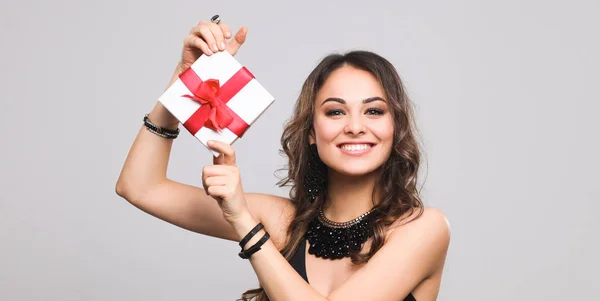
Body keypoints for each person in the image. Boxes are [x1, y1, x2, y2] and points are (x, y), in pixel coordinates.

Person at [116, 14, 451, 301]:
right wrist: (184, 85)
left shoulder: (422, 229)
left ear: (395, 126)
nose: (355, 127)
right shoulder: (283, 223)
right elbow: (140, 187)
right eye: (335, 112)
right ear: (311, 131)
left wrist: (245, 223)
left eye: (374, 111)